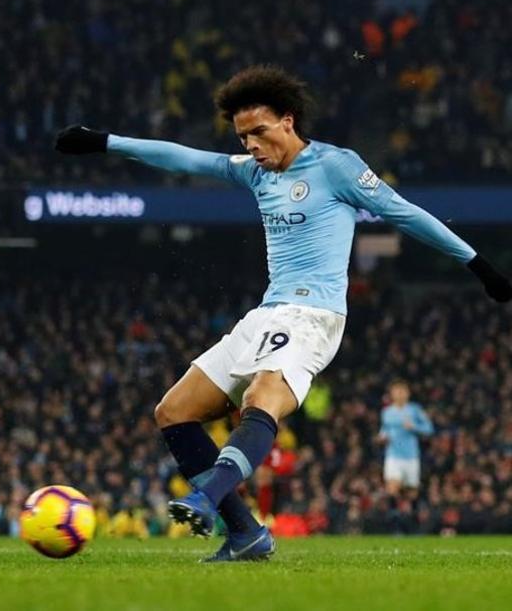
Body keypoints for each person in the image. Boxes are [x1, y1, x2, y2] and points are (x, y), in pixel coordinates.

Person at [55, 64, 512, 561]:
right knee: (173, 412)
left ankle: (207, 498)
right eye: (243, 136)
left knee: (261, 396)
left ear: (288, 122)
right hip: (266, 314)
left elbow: (405, 212)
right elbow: (184, 158)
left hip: (314, 317)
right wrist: (105, 142)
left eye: (259, 132)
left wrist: (478, 264)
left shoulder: (336, 166)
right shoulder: (253, 173)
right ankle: (246, 534)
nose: (251, 145)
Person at [378, 380, 434, 499]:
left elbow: (429, 429)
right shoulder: (386, 412)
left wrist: (414, 427)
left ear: (408, 393)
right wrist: (382, 437)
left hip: (411, 457)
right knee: (392, 489)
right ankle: (392, 515)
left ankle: (408, 514)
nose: (399, 394)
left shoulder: (415, 410)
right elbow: (385, 429)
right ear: (392, 394)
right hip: (393, 456)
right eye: (396, 391)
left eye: (402, 391)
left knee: (412, 494)